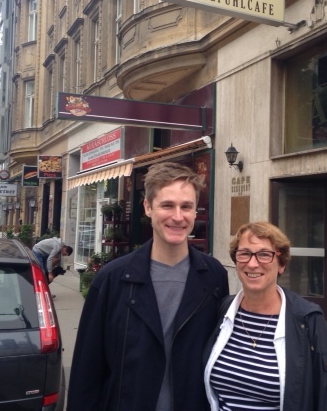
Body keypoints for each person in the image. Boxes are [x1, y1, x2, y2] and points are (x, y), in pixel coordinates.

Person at [67, 162, 229, 411]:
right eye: (167, 205)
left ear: (196, 211)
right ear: (148, 207)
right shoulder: (112, 280)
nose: (178, 216)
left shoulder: (213, 275)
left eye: (186, 206)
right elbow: (87, 370)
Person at [204, 221, 327, 411]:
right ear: (236, 262)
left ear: (281, 264)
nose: (253, 264)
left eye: (264, 255)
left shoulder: (308, 320)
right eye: (244, 254)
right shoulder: (223, 311)